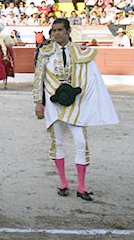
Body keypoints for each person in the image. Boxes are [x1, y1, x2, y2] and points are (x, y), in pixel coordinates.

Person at [33, 18, 119, 201]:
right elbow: (38, 79)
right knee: (57, 142)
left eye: (59, 30)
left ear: (68, 31)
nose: (55, 34)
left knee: (80, 142)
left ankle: (81, 187)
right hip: (53, 103)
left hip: (76, 103)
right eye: (53, 30)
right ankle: (63, 183)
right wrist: (37, 102)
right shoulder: (45, 52)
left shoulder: (82, 53)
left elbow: (91, 80)